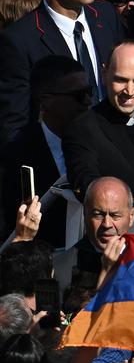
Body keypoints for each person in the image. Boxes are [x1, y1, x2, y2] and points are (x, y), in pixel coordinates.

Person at [0, 0, 123, 146]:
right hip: (59, 159)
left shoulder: (105, 14)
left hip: (114, 146)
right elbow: (15, 123)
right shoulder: (19, 40)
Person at [62, 40, 134, 226]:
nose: (130, 91)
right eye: (121, 80)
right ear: (104, 74)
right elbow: (85, 182)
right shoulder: (82, 128)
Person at [0, 56, 90, 242]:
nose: (88, 102)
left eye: (89, 92)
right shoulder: (14, 156)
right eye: (79, 95)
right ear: (45, 100)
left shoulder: (99, 141)